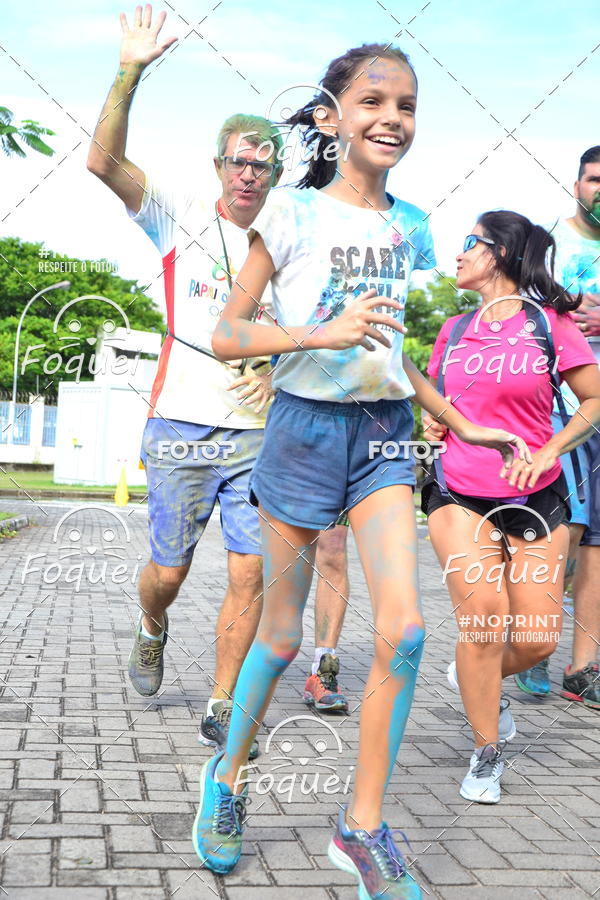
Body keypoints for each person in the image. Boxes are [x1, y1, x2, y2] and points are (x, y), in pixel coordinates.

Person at [192, 43, 530, 899]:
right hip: (302, 432)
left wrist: (461, 422)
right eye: (373, 101)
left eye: (406, 105)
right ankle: (227, 777)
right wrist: (318, 333)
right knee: (280, 637)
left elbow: (392, 352)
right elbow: (227, 334)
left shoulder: (410, 225)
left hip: (383, 437)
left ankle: (362, 826)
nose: (392, 118)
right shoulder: (292, 214)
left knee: (406, 632)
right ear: (331, 116)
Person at [86, 4, 350, 759]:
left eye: (261, 165)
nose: (247, 174)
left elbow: (326, 330)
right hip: (180, 422)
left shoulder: (294, 236)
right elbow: (102, 163)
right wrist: (129, 72)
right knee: (168, 571)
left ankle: (223, 702)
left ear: (275, 174)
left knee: (249, 571)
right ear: (217, 166)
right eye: (237, 161)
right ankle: (153, 622)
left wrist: (287, 368)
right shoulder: (177, 215)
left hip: (261, 435)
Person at [421, 211, 600, 804]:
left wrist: (549, 449)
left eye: (469, 242)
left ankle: (475, 675)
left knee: (539, 640)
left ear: (499, 252)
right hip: (459, 490)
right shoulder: (452, 330)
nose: (458, 253)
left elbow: (594, 399)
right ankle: (486, 751)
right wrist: (434, 421)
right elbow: (438, 405)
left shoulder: (550, 324)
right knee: (483, 617)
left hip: (536, 493)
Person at [515, 147, 600, 709]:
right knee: (562, 532)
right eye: (596, 179)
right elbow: (518, 316)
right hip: (558, 413)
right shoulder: (548, 244)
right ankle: (533, 646)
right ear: (577, 185)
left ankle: (583, 668)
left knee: (598, 543)